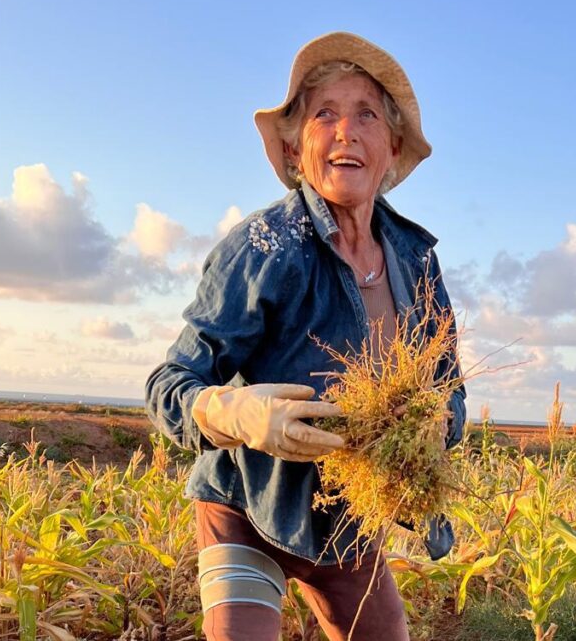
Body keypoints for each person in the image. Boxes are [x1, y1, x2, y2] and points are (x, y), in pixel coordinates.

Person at [145, 31, 466, 641]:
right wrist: (230, 412)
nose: (346, 130)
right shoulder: (263, 248)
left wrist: (436, 420)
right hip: (245, 504)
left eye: (366, 114)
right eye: (325, 114)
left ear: (391, 147)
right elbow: (170, 384)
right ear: (297, 149)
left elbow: (449, 388)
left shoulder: (416, 261)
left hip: (346, 520)